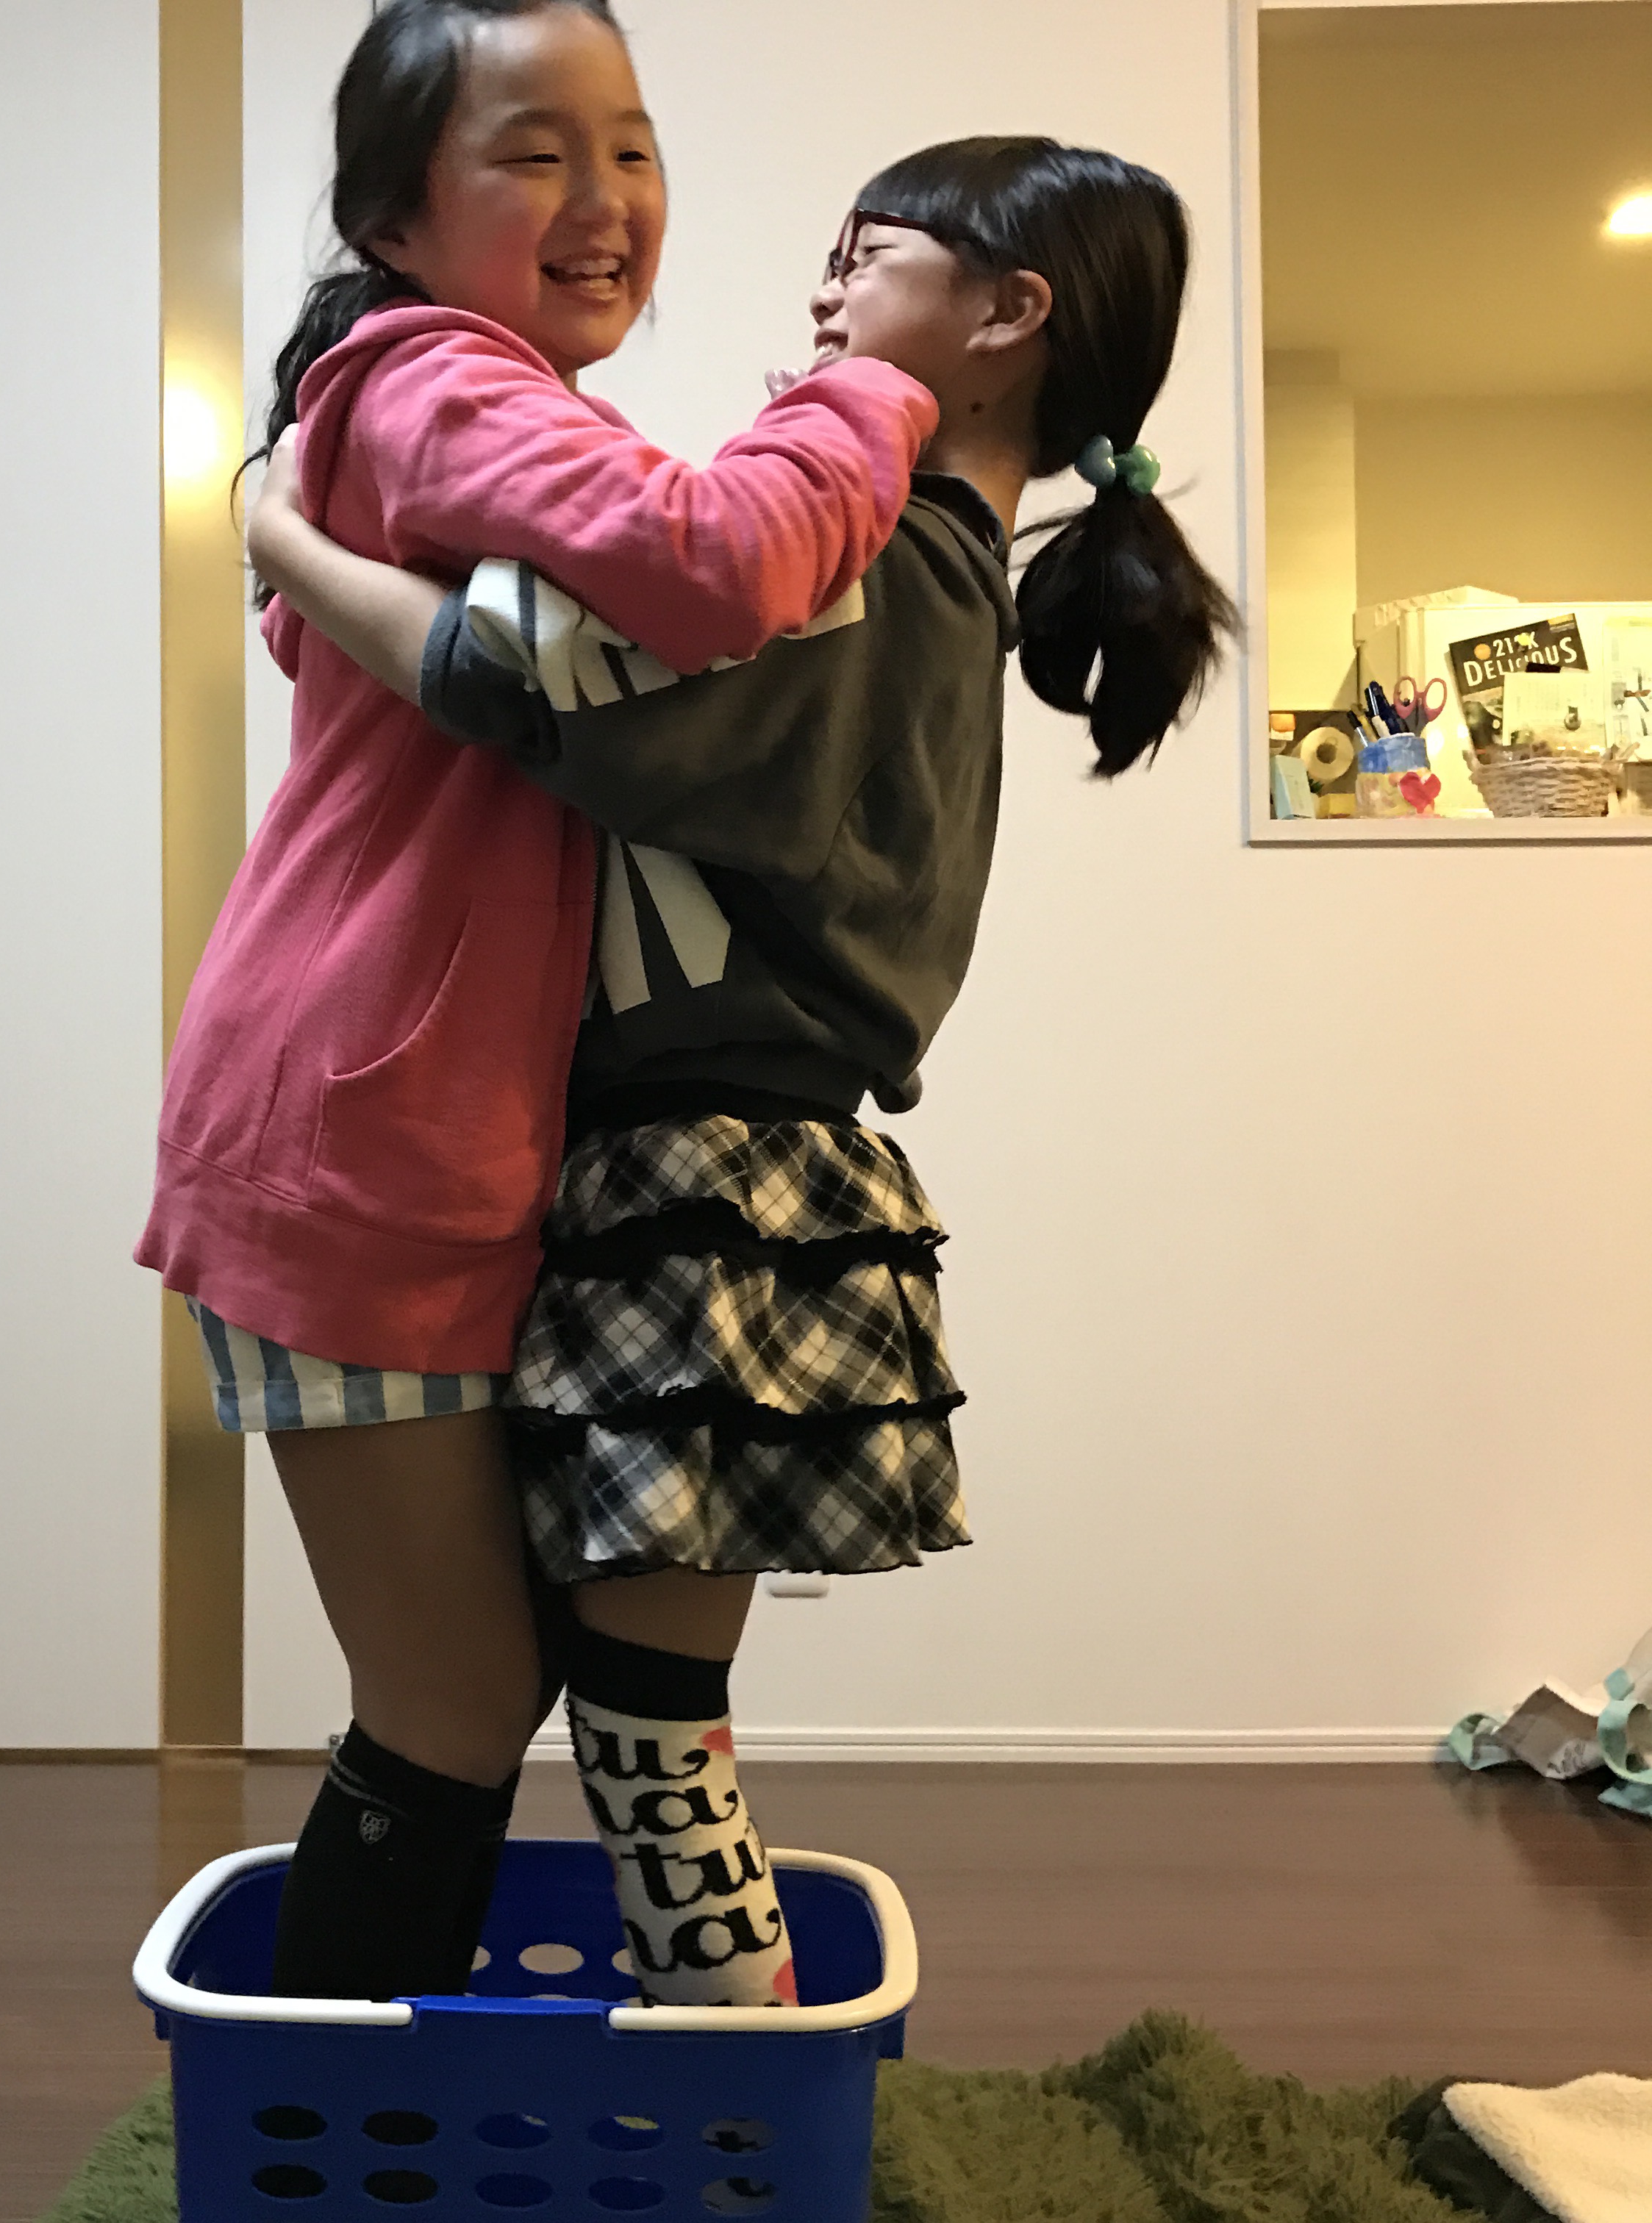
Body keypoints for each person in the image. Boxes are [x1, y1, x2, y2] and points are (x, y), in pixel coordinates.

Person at [243, 135, 1238, 2007]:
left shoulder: (885, 570)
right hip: (723, 1175)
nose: (825, 289)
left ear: (1008, 315)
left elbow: (528, 682)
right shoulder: (928, 572)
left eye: (872, 254)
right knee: (631, 1724)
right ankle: (687, 2099)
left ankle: (720, 2109)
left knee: (646, 1745)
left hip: (705, 1183)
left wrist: (284, 537)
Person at [135, 0, 935, 2005]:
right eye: (536, 151)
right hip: (354, 1139)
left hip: (444, 1132)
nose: (605, 198)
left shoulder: (482, 412)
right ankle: (316, 2124)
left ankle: (379, 2109)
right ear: (396, 216)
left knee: (498, 1691)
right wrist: (878, 387)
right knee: (451, 1706)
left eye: (632, 146)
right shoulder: (429, 377)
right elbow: (712, 562)